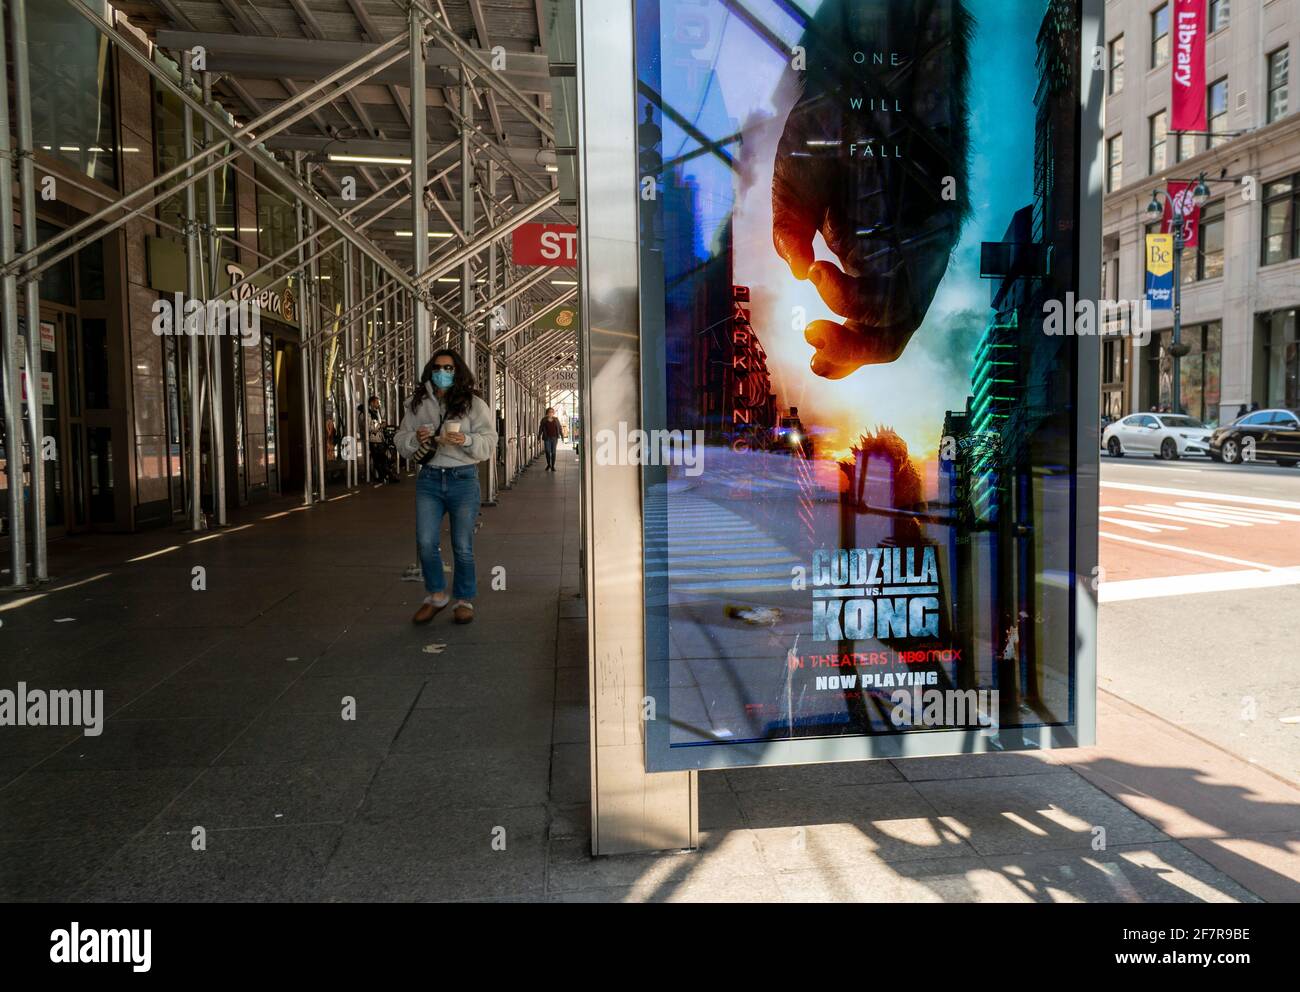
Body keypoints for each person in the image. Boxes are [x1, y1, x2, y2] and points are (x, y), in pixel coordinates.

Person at [395, 350, 498, 625]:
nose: (444, 372)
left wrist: (464, 439)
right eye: (439, 368)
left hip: (463, 478)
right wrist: (415, 438)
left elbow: (489, 442)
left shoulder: (474, 404)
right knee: (426, 541)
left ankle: (464, 600)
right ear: (431, 371)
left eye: (449, 368)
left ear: (458, 371)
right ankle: (438, 594)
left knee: (462, 544)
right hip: (429, 478)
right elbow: (401, 439)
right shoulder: (417, 404)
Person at [538, 407, 565, 471]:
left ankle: (552, 466)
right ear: (547, 413)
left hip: (554, 438)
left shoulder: (556, 419)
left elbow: (559, 428)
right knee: (547, 451)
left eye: (552, 412)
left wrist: (562, 436)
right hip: (547, 438)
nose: (551, 413)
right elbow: (541, 428)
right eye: (549, 412)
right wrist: (539, 436)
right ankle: (548, 464)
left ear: (553, 413)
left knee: (553, 452)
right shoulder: (544, 420)